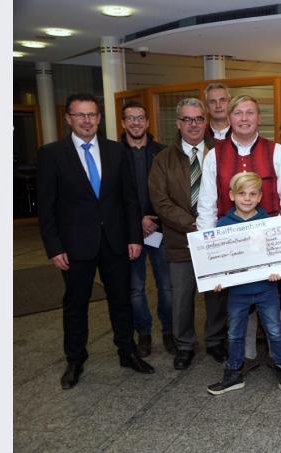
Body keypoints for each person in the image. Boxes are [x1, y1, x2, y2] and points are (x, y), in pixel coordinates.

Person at [37, 93, 154, 389]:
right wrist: (54, 247)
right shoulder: (52, 154)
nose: (86, 120)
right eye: (80, 115)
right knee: (75, 304)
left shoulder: (116, 151)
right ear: (69, 119)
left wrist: (134, 237)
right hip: (74, 245)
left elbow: (129, 200)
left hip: (115, 241)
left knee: (121, 300)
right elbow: (46, 206)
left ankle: (127, 351)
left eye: (91, 114)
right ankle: (75, 359)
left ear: (100, 118)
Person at [197, 94, 281, 367]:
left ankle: (278, 358)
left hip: (269, 242)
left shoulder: (277, 151)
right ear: (229, 118)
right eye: (238, 113)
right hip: (231, 244)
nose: (244, 118)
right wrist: (210, 256)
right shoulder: (213, 156)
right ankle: (243, 358)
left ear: (259, 118)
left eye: (250, 113)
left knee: (271, 303)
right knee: (238, 305)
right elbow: (206, 204)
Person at [148, 98, 227, 371]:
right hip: (180, 240)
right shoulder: (162, 159)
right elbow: (161, 202)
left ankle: (215, 341)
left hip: (215, 239)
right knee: (181, 297)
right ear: (178, 124)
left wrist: (213, 225)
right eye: (187, 119)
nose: (193, 124)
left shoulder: (220, 153)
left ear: (206, 122)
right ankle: (184, 345)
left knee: (216, 294)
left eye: (198, 119)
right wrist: (195, 225)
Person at [206, 172, 281, 399]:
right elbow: (219, 260)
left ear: (259, 197)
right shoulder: (223, 225)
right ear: (231, 195)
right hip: (237, 293)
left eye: (252, 194)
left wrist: (278, 270)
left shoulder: (270, 224)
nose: (247, 199)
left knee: (275, 332)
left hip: (266, 290)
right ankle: (233, 373)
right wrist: (216, 279)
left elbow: (277, 254)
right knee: (234, 334)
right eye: (241, 194)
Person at [120, 100, 174, 357]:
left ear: (148, 122)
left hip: (159, 229)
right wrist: (138, 220)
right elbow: (112, 196)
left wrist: (153, 219)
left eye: (140, 117)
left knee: (167, 286)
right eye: (131, 118)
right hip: (129, 232)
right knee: (135, 288)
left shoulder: (162, 153)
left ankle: (169, 331)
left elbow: (171, 191)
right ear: (123, 123)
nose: (136, 122)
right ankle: (143, 333)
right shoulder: (114, 153)